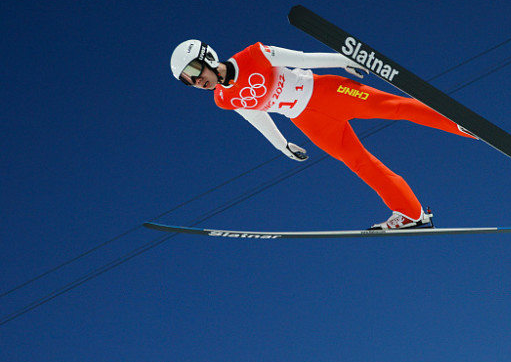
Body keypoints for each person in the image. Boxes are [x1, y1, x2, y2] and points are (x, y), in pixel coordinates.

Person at [170, 39, 477, 230]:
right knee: (359, 163)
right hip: (308, 122)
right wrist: (282, 145)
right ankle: (412, 214)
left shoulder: (254, 54)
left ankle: (461, 125)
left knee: (394, 107)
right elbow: (255, 115)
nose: (196, 82)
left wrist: (343, 60)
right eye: (187, 81)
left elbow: (302, 59)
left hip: (325, 93)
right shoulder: (223, 99)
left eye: (195, 72)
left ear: (207, 57)